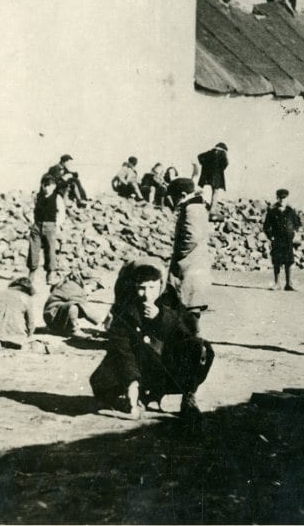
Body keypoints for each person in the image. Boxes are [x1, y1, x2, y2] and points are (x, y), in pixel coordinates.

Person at [89, 263, 214, 421]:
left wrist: (161, 317)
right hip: (138, 365)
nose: (147, 295)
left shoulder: (170, 300)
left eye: (152, 288)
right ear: (134, 286)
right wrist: (132, 387)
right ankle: (139, 395)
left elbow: (187, 333)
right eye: (142, 288)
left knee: (201, 348)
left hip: (165, 363)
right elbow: (122, 349)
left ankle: (187, 397)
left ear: (160, 285)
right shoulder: (123, 307)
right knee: (103, 385)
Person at [164, 178, 212, 333]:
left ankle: (191, 339)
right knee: (190, 301)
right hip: (195, 261)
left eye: (176, 196)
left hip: (190, 263)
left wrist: (180, 254)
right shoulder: (198, 206)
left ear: (183, 194)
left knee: (190, 302)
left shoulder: (192, 209)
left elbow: (192, 236)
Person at [26, 174, 65, 286]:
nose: (46, 188)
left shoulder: (57, 198)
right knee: (33, 250)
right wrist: (31, 222)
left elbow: (61, 212)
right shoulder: (37, 197)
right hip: (37, 226)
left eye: (49, 185)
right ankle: (31, 273)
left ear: (54, 186)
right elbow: (28, 209)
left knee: (50, 251)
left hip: (50, 226)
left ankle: (50, 274)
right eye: (44, 185)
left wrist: (57, 225)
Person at [43, 271, 101, 339]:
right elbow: (84, 307)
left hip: (53, 315)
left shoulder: (75, 285)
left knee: (75, 307)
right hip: (51, 316)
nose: (91, 292)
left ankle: (64, 328)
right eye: (93, 290)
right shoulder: (74, 287)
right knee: (74, 306)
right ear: (88, 283)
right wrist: (100, 322)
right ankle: (73, 330)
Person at [263, 188, 302, 291]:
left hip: (288, 240)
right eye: (280, 198)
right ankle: (277, 284)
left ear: (287, 198)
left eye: (284, 198)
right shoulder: (272, 212)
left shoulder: (291, 211)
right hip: (277, 239)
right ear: (277, 198)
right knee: (277, 261)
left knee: (289, 261)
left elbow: (297, 224)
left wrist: (295, 233)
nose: (282, 200)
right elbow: (266, 226)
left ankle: (289, 284)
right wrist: (270, 236)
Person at [197, 142, 229, 221]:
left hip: (207, 176)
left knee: (204, 191)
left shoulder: (209, 153)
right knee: (215, 193)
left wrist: (205, 165)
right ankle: (212, 211)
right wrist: (220, 169)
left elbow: (199, 157)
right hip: (217, 177)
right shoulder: (223, 154)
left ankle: (200, 206)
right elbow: (226, 163)